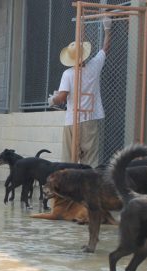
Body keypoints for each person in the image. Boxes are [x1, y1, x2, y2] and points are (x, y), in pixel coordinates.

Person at [48, 17, 112, 167]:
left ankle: (68, 186)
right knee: (90, 159)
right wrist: (107, 30)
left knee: (69, 159)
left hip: (72, 120)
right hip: (90, 118)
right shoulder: (94, 66)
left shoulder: (68, 74)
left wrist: (53, 99)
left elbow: (62, 97)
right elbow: (105, 48)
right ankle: (88, 186)